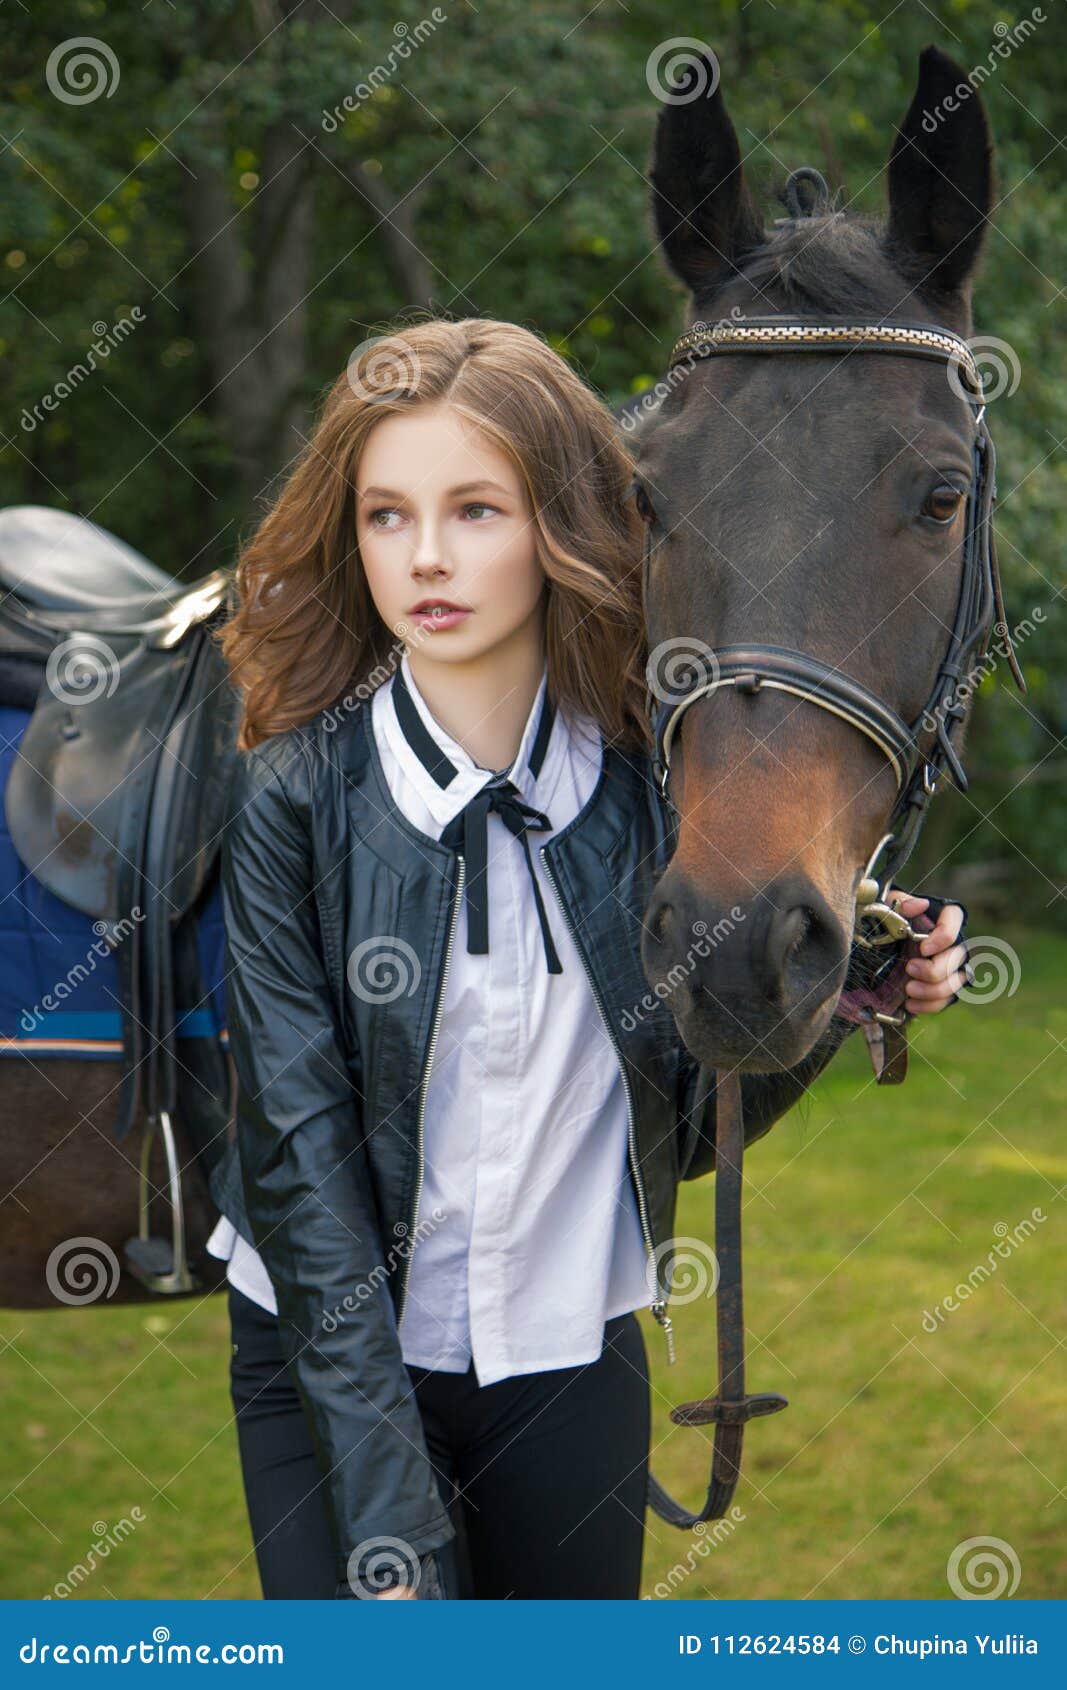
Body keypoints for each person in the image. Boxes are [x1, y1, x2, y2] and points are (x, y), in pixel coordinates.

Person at [204, 316, 969, 1600]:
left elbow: (676, 1113)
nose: (427, 557)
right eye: (385, 515)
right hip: (323, 1350)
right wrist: (397, 1538)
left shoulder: (643, 801)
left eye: (475, 510)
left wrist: (840, 1002)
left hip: (570, 1351)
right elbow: (300, 1165)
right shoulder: (295, 796)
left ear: (562, 523)